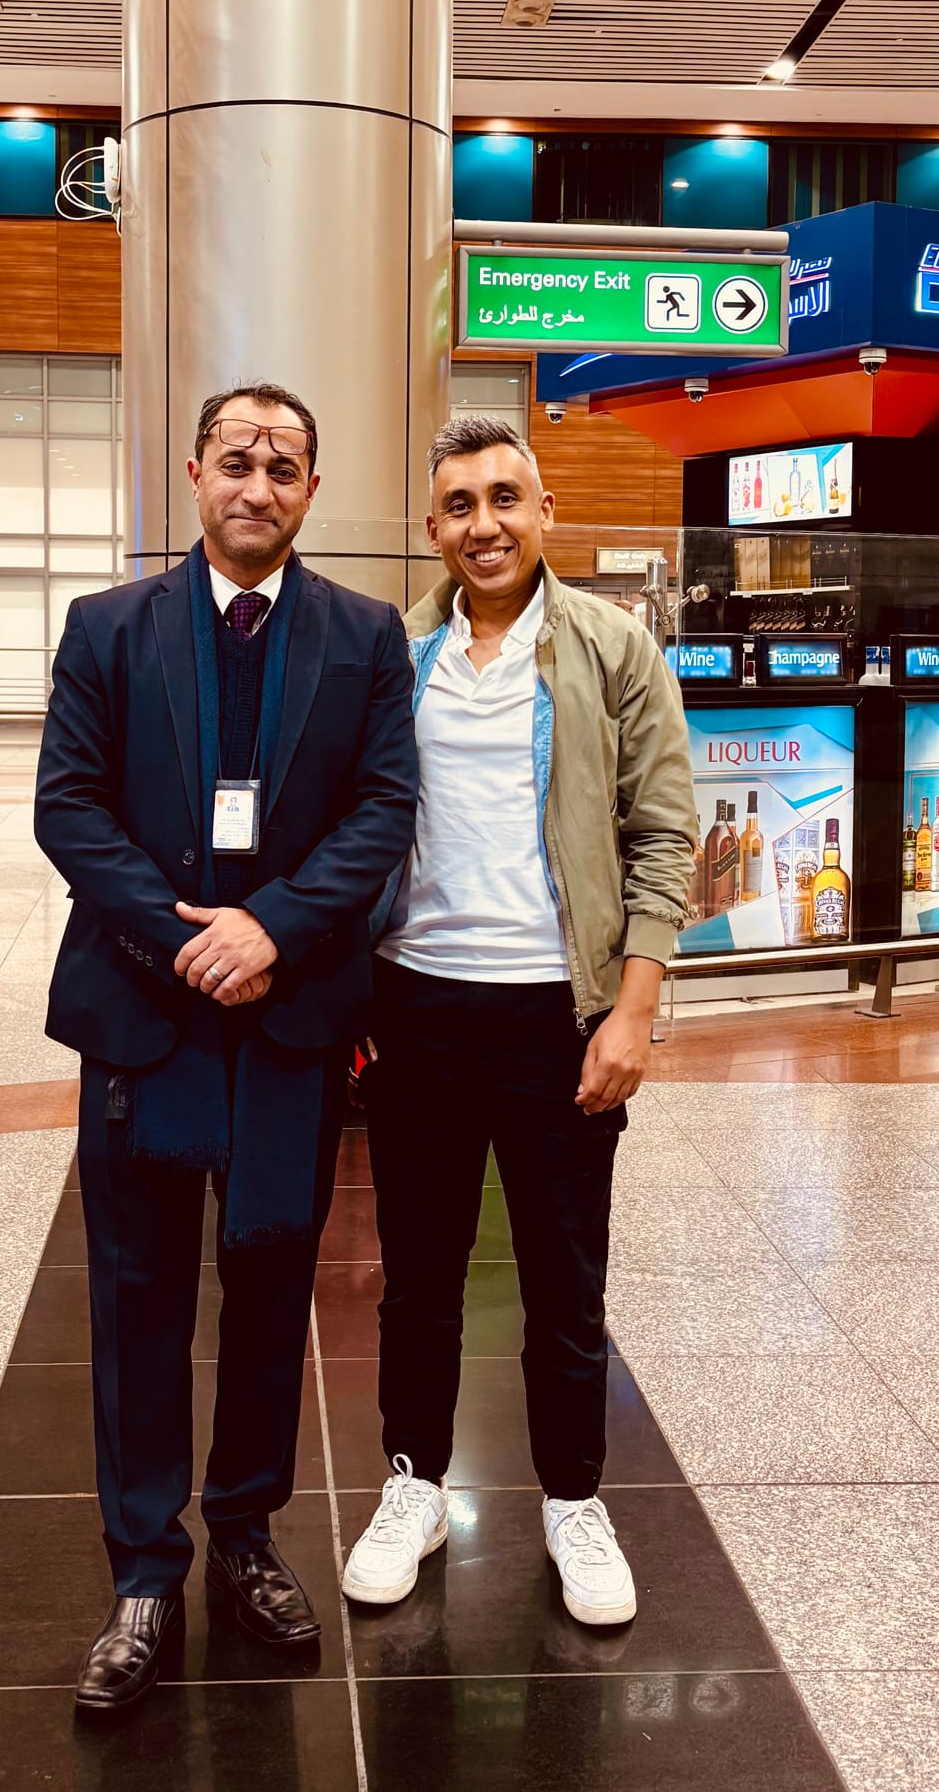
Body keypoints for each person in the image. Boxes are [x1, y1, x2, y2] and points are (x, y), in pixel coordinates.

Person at [36, 383, 418, 1715]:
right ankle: (144, 1569)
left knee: (269, 1285)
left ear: (312, 487)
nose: (259, 484)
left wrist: (272, 930)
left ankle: (247, 1531)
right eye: (238, 459)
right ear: (196, 471)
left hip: (288, 1013)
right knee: (136, 1297)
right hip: (144, 1015)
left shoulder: (365, 635)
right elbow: (68, 808)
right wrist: (183, 939)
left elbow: (383, 810)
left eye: (285, 464)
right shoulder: (108, 627)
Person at [342, 414, 698, 1630]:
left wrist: (631, 1011)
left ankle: (573, 1499)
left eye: (504, 498)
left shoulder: (610, 646)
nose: (483, 523)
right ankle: (411, 1483)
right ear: (432, 527)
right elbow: (349, 828)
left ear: (544, 511)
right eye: (459, 504)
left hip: (560, 1012)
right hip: (417, 1005)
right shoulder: (396, 659)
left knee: (563, 1278)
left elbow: (664, 836)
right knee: (418, 1278)